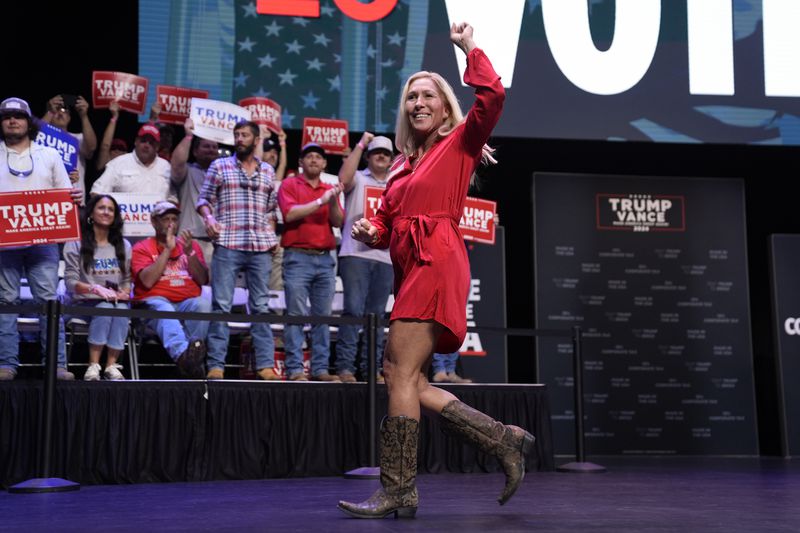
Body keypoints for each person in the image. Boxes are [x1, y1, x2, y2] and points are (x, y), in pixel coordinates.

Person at [338, 24, 534, 518]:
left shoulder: (461, 143)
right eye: (411, 96)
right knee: (406, 379)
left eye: (428, 95)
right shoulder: (403, 165)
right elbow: (387, 221)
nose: (418, 103)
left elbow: (491, 96)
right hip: (411, 268)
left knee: (398, 372)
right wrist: (371, 232)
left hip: (436, 261)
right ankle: (503, 439)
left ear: (445, 106)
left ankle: (400, 489)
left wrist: (469, 49)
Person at [0, 97, 83, 381]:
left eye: (18, 116)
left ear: (29, 122)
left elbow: (65, 194)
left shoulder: (49, 155)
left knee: (48, 302)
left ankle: (56, 365)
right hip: (4, 244)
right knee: (6, 303)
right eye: (7, 116)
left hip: (43, 243)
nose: (12, 121)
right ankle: (7, 364)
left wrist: (75, 196)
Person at [197, 121, 280, 380]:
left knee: (260, 307)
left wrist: (272, 231)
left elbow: (271, 208)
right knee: (221, 305)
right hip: (228, 242)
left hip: (259, 245)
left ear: (256, 140)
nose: (239, 138)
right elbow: (203, 201)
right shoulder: (219, 166)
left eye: (244, 135)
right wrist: (209, 220)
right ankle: (216, 365)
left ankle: (265, 365)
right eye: (237, 135)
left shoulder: (267, 170)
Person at [277, 143, 344, 382]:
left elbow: (337, 222)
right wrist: (319, 202)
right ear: (301, 163)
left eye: (319, 157)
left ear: (325, 164)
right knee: (295, 315)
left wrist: (333, 200)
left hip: (325, 259)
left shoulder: (329, 188)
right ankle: (295, 370)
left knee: (322, 318)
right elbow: (289, 214)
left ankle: (320, 369)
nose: (314, 160)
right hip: (297, 257)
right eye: (309, 156)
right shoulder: (290, 184)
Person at [335, 133, 394, 382]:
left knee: (378, 316)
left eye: (386, 153)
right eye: (376, 152)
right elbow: (342, 180)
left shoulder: (396, 183)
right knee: (353, 312)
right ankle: (346, 368)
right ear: (368, 156)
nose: (381, 156)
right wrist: (360, 144)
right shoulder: (359, 178)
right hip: (355, 255)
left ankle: (371, 369)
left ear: (392, 159)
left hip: (386, 258)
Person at [131, 201, 209, 378]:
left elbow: (202, 279)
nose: (171, 224)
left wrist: (190, 254)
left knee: (202, 305)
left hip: (186, 302)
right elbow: (148, 281)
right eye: (166, 219)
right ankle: (184, 358)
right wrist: (167, 250)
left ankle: (188, 361)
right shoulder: (142, 248)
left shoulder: (190, 246)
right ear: (154, 222)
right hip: (153, 303)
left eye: (174, 219)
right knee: (163, 308)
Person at [63, 194, 132, 381]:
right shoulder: (76, 241)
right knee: (105, 308)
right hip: (82, 303)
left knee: (120, 309)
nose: (106, 212)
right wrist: (94, 289)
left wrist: (124, 292)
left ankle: (111, 366)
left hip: (114, 303)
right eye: (101, 208)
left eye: (111, 209)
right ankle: (93, 365)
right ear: (91, 213)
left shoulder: (123, 245)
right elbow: (70, 282)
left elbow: (127, 279)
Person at [170, 118, 219, 266]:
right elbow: (177, 163)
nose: (211, 149)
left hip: (217, 242)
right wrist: (188, 136)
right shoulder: (188, 171)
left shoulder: (223, 174)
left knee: (214, 287)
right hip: (190, 239)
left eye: (214, 147)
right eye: (206, 146)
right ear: (195, 151)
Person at [90, 123, 171, 199]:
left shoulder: (166, 167)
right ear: (136, 141)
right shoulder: (118, 163)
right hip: (124, 214)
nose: (146, 145)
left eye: (151, 143)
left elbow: (173, 198)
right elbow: (97, 192)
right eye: (143, 141)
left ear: (157, 146)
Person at [42, 93, 97, 198]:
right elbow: (32, 136)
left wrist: (84, 116)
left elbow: (92, 147)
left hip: (74, 198)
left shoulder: (77, 138)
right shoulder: (42, 136)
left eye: (64, 111)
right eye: (57, 110)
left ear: (70, 118)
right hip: (46, 196)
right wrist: (50, 111)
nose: (60, 113)